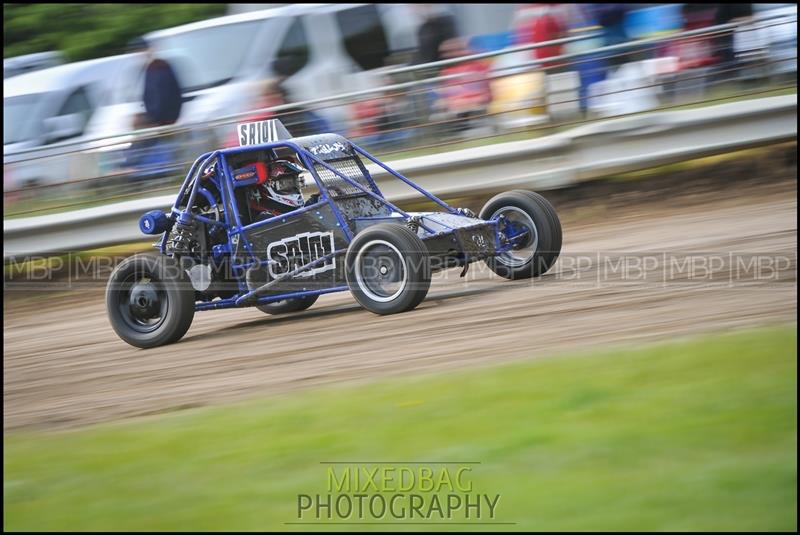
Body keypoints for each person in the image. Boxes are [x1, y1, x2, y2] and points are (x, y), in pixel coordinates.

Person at [128, 37, 183, 127]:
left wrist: (154, 120)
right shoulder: (145, 69)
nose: (138, 55)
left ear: (150, 50)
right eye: (136, 52)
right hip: (155, 121)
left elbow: (165, 97)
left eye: (141, 50)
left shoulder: (160, 67)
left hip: (162, 122)